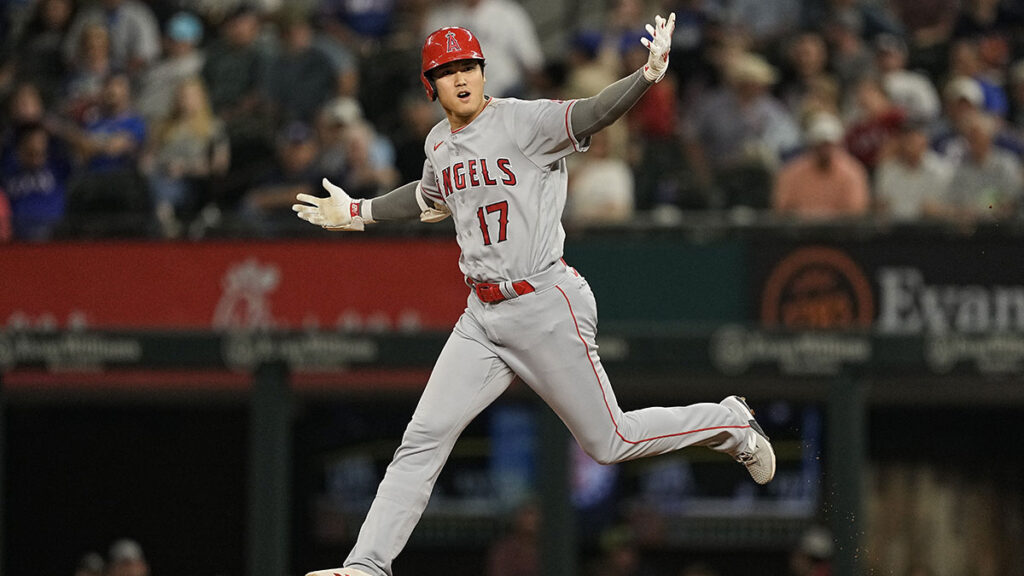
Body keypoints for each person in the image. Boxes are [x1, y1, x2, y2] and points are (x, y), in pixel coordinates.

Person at [295, 15, 775, 576]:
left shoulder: (523, 121)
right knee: (423, 438)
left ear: (483, 70)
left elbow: (592, 112)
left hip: (545, 302)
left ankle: (729, 423)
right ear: (431, 86)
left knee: (610, 441)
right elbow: (427, 198)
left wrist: (645, 76)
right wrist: (360, 211)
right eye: (447, 71)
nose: (460, 78)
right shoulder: (438, 143)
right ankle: (366, 566)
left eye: (468, 66)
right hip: (482, 315)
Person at [772, 111, 871, 220]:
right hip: (800, 230)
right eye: (820, 145)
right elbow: (782, 209)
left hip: (841, 230)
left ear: (837, 145)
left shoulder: (852, 173)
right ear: (811, 145)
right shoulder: (791, 173)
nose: (824, 150)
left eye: (828, 145)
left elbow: (855, 212)